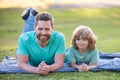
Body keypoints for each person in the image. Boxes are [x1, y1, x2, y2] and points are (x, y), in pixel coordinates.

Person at [16, 8, 66, 75]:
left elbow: (60, 62)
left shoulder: (59, 37)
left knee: (33, 35)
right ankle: (30, 16)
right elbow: (21, 64)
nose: (43, 32)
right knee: (26, 34)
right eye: (40, 29)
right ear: (34, 28)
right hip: (28, 40)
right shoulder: (24, 38)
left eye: (47, 29)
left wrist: (48, 68)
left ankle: (31, 15)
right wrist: (37, 70)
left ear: (52, 28)